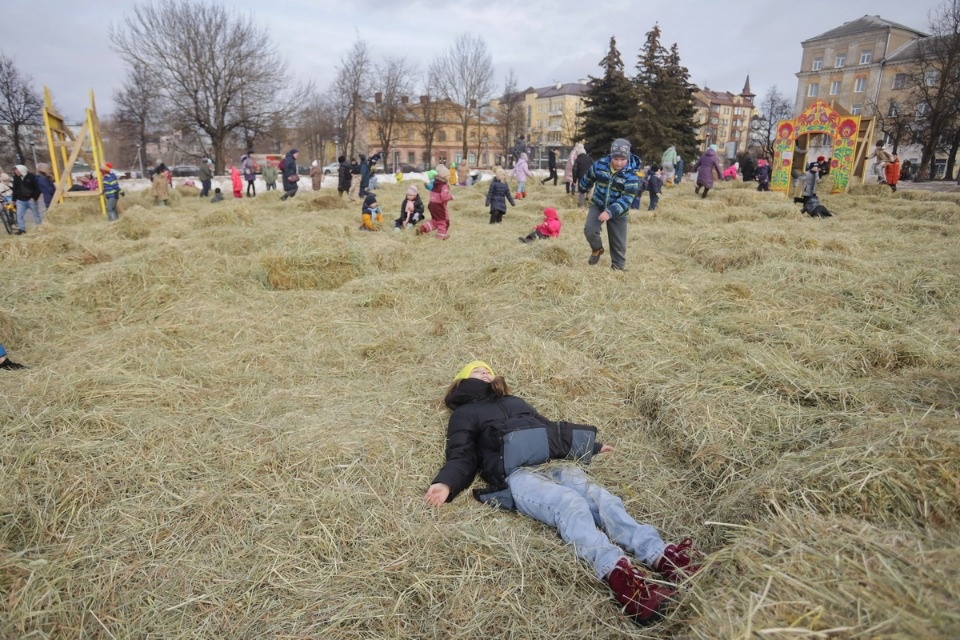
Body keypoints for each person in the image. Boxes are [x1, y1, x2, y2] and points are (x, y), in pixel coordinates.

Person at [425, 361, 702, 624]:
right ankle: (622, 578)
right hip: (517, 475)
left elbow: (550, 430)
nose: (485, 373)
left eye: (488, 370)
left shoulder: (514, 401)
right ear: (461, 380)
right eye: (477, 371)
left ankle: (662, 555)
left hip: (552, 463)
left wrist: (589, 447)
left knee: (601, 498)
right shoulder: (463, 414)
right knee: (568, 503)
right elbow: (461, 455)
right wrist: (446, 484)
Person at [578, 139, 641, 271]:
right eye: (616, 158)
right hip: (599, 204)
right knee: (589, 230)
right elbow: (590, 175)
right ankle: (597, 249)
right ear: (611, 156)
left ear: (627, 158)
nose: (618, 163)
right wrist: (583, 187)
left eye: (622, 159)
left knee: (618, 243)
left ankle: (617, 268)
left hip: (618, 210)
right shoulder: (601, 165)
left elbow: (627, 198)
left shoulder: (631, 174)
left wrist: (610, 212)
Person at [416, 163, 453, 240]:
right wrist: (451, 196)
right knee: (442, 221)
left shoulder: (435, 183)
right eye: (448, 176)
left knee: (435, 221)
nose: (449, 177)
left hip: (432, 205)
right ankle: (440, 236)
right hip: (439, 206)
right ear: (444, 176)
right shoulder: (443, 185)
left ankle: (423, 228)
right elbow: (444, 197)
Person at [12, 164, 41, 234]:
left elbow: (38, 188)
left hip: (31, 200)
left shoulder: (32, 177)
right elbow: (15, 189)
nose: (16, 172)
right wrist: (13, 199)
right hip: (20, 200)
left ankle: (39, 228)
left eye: (17, 171)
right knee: (19, 215)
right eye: (15, 171)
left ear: (22, 170)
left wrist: (34, 198)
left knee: (36, 214)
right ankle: (21, 230)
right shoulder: (16, 178)